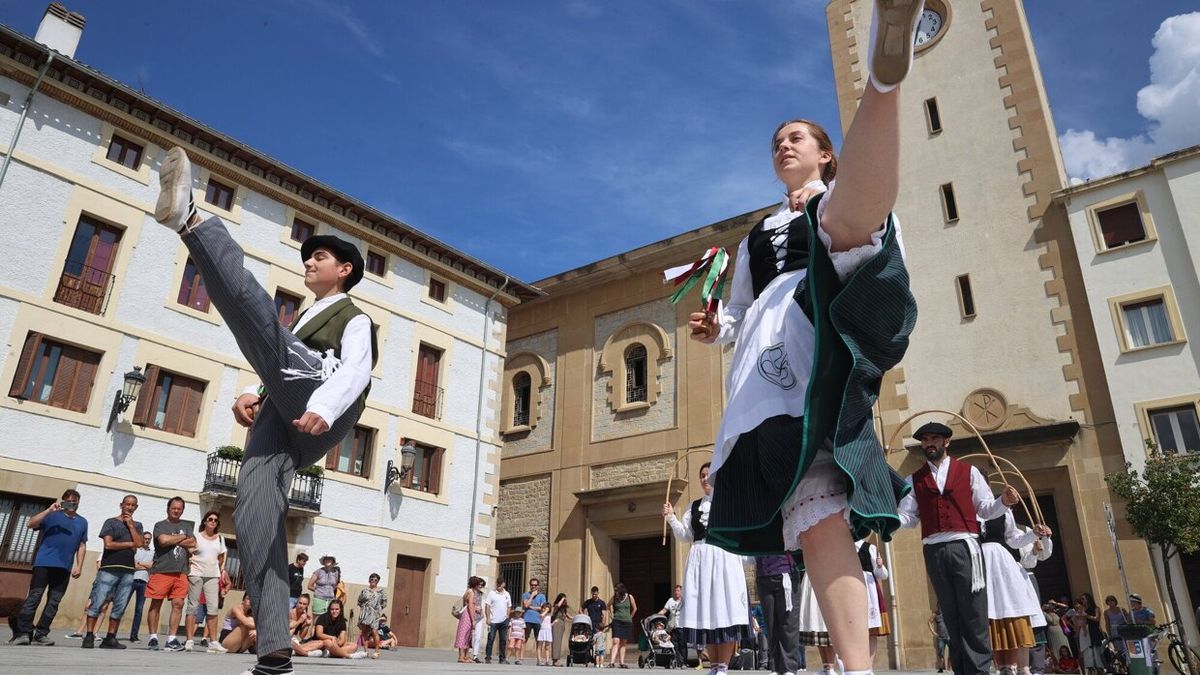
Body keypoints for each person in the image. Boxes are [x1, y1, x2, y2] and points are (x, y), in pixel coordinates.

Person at [691, 5, 932, 675]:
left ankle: (886, 79)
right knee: (815, 507)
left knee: (846, 224)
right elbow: (738, 312)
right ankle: (857, 668)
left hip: (829, 296)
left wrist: (826, 215)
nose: (784, 145)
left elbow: (883, 240)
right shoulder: (754, 233)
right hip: (771, 355)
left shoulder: (833, 194)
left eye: (797, 137)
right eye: (777, 141)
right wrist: (716, 329)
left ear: (825, 152)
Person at [154, 146, 377, 675]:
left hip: (323, 402)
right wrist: (252, 395)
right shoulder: (302, 320)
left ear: (344, 270)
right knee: (254, 519)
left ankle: (191, 220)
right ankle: (274, 646)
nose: (309, 262)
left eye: (319, 258)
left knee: (258, 314)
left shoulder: (354, 315)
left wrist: (323, 408)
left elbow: (355, 371)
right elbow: (277, 360)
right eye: (307, 256)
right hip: (282, 416)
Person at [898, 422, 1021, 675]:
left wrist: (1003, 502)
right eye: (925, 440)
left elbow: (985, 509)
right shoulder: (913, 479)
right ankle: (961, 670)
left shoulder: (970, 472)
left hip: (966, 546)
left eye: (934, 439)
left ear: (946, 442)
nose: (929, 444)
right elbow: (908, 518)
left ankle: (979, 670)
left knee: (973, 613)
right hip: (934, 549)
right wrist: (886, 518)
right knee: (950, 615)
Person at [665, 463, 748, 671]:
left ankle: (723, 666)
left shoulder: (729, 502)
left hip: (723, 557)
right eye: (701, 475)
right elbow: (685, 535)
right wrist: (671, 517)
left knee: (724, 609)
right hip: (700, 560)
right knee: (707, 613)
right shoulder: (693, 506)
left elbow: (741, 531)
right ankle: (715, 665)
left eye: (709, 474)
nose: (704, 478)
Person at [13, 489, 87, 646]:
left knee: (54, 602)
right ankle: (23, 633)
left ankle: (41, 634)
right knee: (34, 597)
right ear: (63, 501)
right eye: (70, 500)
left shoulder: (82, 522)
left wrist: (79, 566)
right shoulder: (52, 515)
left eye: (75, 501)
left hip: (64, 568)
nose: (73, 503)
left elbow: (82, 545)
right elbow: (30, 523)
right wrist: (48, 510)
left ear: (78, 503)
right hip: (44, 564)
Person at [979, 513, 1046, 675]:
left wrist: (1033, 534)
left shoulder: (1001, 511)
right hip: (978, 561)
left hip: (1001, 561)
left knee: (1011, 607)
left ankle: (1020, 667)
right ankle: (1001, 666)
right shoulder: (967, 507)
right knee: (988, 612)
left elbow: (1014, 540)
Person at [81, 494, 144, 650]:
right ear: (121, 505)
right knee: (98, 601)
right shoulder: (110, 522)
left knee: (120, 605)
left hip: (128, 570)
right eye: (127, 504)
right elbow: (108, 545)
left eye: (132, 505)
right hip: (109, 568)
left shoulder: (138, 525)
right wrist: (129, 543)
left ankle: (110, 638)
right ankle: (89, 636)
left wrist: (130, 526)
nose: (129, 507)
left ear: (136, 508)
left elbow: (139, 544)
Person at [144, 496, 196, 652]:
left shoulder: (186, 526)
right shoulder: (160, 525)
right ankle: (153, 637)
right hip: (162, 570)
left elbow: (193, 543)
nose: (176, 511)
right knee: (156, 603)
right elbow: (163, 541)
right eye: (174, 508)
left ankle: (171, 639)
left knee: (178, 604)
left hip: (181, 572)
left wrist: (173, 539)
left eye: (179, 508)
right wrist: (182, 538)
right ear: (168, 508)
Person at [184, 510, 228, 652]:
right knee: (192, 607)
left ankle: (213, 642)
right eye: (210, 519)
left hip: (213, 576)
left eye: (215, 520)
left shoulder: (220, 539)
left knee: (213, 607)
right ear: (204, 521)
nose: (213, 522)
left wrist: (221, 569)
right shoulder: (196, 537)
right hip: (196, 574)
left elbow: (221, 556)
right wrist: (189, 564)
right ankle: (189, 640)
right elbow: (187, 551)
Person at [755, 554, 803, 675]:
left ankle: (789, 667)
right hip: (763, 575)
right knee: (770, 625)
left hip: (786, 573)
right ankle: (775, 667)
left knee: (788, 623)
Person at [295, 599, 366, 659]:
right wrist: (332, 638)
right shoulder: (322, 618)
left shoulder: (342, 621)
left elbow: (342, 639)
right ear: (329, 609)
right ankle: (349, 655)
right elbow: (319, 634)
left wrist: (337, 643)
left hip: (332, 644)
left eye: (337, 609)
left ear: (340, 610)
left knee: (354, 645)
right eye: (332, 609)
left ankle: (332, 653)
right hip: (320, 642)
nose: (334, 611)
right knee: (328, 642)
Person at [857, 539, 891, 661]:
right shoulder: (844, 547)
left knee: (871, 630)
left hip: (869, 590)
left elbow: (883, 575)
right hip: (851, 587)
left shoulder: (870, 548)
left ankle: (869, 665)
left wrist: (880, 565)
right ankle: (859, 664)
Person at [127, 530, 154, 642]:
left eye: (149, 539)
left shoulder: (153, 553)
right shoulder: (136, 550)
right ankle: (112, 634)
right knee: (122, 605)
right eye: (145, 538)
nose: (147, 540)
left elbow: (152, 566)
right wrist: (145, 566)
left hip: (144, 582)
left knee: (139, 609)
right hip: (132, 580)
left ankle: (134, 636)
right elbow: (133, 566)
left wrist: (140, 564)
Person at [357, 572, 388, 659]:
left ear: (378, 581)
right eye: (371, 579)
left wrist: (377, 609)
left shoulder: (381, 592)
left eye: (375, 580)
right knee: (365, 632)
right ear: (369, 580)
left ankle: (377, 651)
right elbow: (359, 601)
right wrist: (365, 609)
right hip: (365, 613)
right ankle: (366, 651)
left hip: (374, 614)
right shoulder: (364, 591)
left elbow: (384, 603)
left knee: (374, 632)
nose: (373, 581)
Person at [607, 582, 638, 668]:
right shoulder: (614, 597)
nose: (615, 591)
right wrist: (611, 616)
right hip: (617, 621)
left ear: (621, 590)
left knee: (623, 643)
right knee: (615, 641)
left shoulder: (629, 597)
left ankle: (622, 662)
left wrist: (630, 617)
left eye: (616, 590)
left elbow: (635, 608)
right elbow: (608, 605)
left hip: (627, 622)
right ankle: (612, 662)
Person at [453, 575, 482, 662]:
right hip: (467, 615)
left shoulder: (470, 591)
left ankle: (466, 656)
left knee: (468, 636)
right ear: (475, 584)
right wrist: (473, 620)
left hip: (468, 615)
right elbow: (470, 606)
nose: (479, 585)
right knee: (463, 635)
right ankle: (461, 657)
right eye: (478, 583)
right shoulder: (471, 592)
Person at [484, 577, 512, 664]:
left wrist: (507, 616)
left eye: (501, 584)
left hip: (504, 621)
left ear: (504, 584)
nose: (499, 586)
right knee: (491, 638)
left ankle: (502, 658)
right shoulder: (492, 593)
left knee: (503, 640)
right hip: (493, 620)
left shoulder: (507, 594)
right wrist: (488, 618)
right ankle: (488, 657)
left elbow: (509, 606)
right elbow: (487, 606)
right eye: (498, 584)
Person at [1073, 595, 1103, 675]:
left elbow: (1097, 618)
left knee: (1097, 650)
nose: (1082, 601)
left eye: (1083, 599)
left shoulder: (1096, 608)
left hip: (1094, 630)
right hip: (1086, 632)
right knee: (1088, 651)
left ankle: (1100, 669)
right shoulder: (1082, 609)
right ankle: (1090, 669)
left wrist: (1086, 616)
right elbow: (1079, 622)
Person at [521, 577, 547, 662]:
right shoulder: (525, 595)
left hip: (537, 620)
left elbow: (543, 608)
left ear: (538, 586)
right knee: (524, 639)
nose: (533, 587)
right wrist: (532, 595)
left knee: (538, 640)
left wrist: (531, 607)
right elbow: (525, 605)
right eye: (532, 585)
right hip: (527, 619)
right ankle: (521, 658)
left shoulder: (542, 596)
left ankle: (539, 659)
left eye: (535, 585)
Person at [583, 586, 610, 667]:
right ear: (591, 593)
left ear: (598, 593)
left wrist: (604, 625)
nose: (594, 595)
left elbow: (604, 614)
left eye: (595, 594)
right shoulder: (588, 602)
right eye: (593, 594)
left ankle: (598, 661)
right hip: (590, 624)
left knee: (599, 643)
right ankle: (592, 658)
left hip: (598, 625)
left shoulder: (601, 603)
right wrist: (584, 616)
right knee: (591, 642)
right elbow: (581, 608)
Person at [550, 592, 570, 666]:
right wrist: (562, 598)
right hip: (556, 624)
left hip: (561, 625)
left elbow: (568, 616)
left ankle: (557, 659)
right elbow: (558, 605)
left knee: (559, 642)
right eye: (563, 600)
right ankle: (555, 660)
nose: (565, 601)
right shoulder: (556, 606)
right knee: (556, 642)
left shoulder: (564, 609)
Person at [929, 608, 950, 673]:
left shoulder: (947, 612)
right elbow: (929, 622)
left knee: (952, 652)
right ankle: (941, 668)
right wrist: (933, 632)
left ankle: (949, 668)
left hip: (948, 636)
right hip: (940, 637)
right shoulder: (935, 614)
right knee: (941, 653)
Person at [536, 597, 554, 665]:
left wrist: (554, 623)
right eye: (544, 607)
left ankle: (547, 660)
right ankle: (539, 660)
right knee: (539, 646)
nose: (545, 609)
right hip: (542, 630)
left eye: (547, 608)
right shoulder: (542, 614)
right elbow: (541, 615)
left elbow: (549, 624)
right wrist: (545, 610)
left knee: (547, 646)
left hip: (548, 631)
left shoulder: (549, 615)